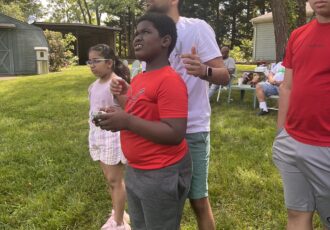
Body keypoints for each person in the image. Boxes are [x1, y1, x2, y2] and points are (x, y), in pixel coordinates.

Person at [96, 13, 192, 230]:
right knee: (140, 225)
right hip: (136, 170)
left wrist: (127, 121)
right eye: (136, 33)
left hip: (161, 172)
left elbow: (175, 133)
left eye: (146, 32)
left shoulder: (169, 80)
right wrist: (120, 103)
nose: (137, 38)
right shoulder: (140, 77)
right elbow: (139, 111)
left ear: (165, 41)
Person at [144, 1, 230, 230]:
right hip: (157, 130)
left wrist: (203, 70)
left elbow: (224, 76)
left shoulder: (196, 28)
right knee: (165, 202)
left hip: (192, 128)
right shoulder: (147, 32)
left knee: (198, 200)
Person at [272, 0, 330, 229]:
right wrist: (280, 133)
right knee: (297, 213)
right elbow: (287, 86)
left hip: (326, 145)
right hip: (291, 142)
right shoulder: (298, 35)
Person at [87, 44, 131, 230]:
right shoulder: (93, 86)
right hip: (98, 135)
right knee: (109, 179)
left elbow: (129, 108)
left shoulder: (116, 82)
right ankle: (118, 212)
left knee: (115, 180)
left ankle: (119, 223)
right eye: (90, 61)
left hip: (113, 137)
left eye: (96, 61)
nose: (92, 65)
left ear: (109, 63)